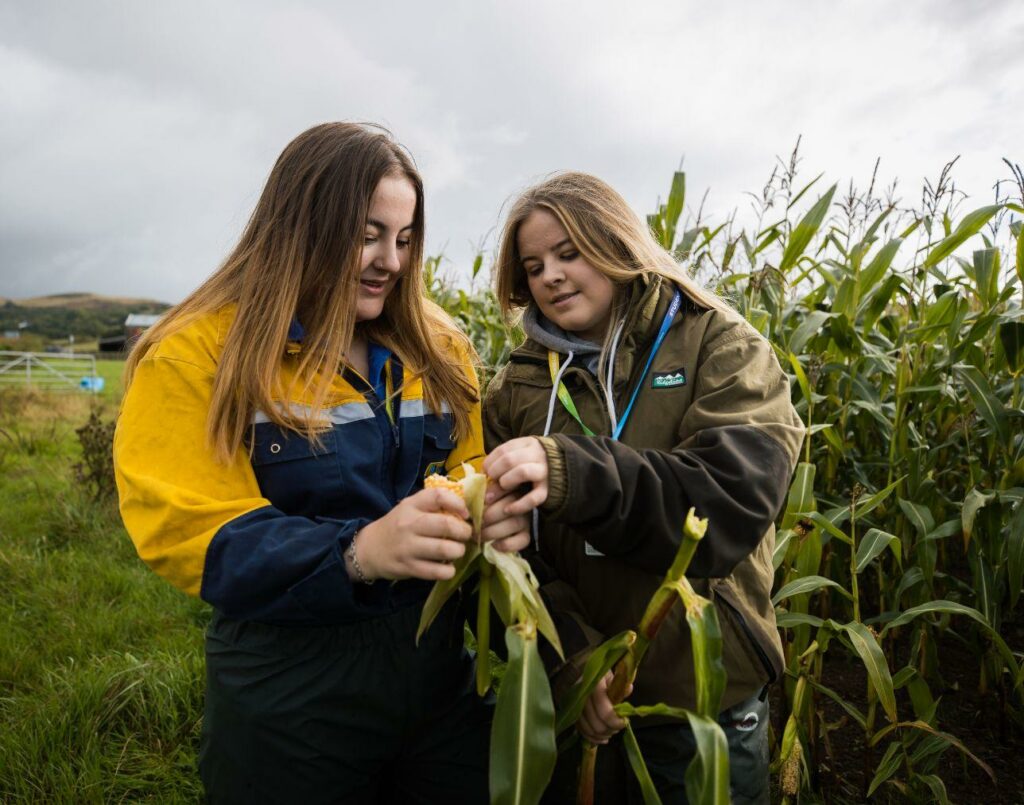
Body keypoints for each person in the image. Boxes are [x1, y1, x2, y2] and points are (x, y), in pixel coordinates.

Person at [113, 122, 529, 805]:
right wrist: (361, 550)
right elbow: (190, 530)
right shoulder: (195, 355)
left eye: (403, 239)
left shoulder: (441, 346)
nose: (390, 261)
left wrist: (490, 511)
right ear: (300, 224)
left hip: (438, 671)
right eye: (367, 233)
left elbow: (468, 465)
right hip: (289, 686)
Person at [481, 172, 804, 804]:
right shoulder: (517, 387)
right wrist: (578, 666)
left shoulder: (720, 343)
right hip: (577, 701)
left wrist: (573, 472)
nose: (550, 275)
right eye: (534, 264)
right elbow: (513, 557)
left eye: (569, 253)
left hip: (703, 703)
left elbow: (729, 502)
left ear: (616, 244)